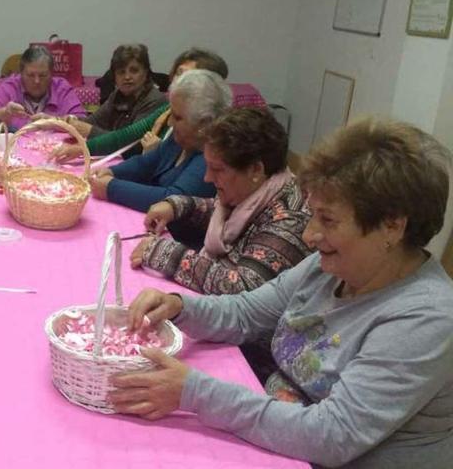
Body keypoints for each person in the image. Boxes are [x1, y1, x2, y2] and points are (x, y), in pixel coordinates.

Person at [112, 118, 453, 468]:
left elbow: (331, 435)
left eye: (328, 220)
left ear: (392, 226)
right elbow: (246, 312)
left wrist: (194, 393)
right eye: (313, 215)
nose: (309, 235)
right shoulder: (329, 267)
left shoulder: (427, 319)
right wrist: (179, 308)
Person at [131, 107, 311, 294]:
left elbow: (243, 289)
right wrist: (176, 206)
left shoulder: (289, 220)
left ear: (255, 170)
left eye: (217, 169)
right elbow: (219, 211)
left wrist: (167, 253)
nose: (207, 178)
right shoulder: (255, 191)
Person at [52, 47, 228, 162]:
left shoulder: (207, 136)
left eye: (189, 78)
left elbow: (171, 187)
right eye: (178, 74)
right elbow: (126, 137)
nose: (179, 81)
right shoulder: (165, 111)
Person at [88, 69, 229, 213]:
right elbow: (147, 162)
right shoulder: (181, 139)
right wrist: (112, 171)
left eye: (178, 117)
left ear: (204, 123)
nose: (170, 123)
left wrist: (111, 188)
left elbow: (173, 199)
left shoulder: (212, 157)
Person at [62, 44, 165, 139]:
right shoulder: (118, 95)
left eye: (134, 71)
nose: (127, 77)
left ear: (146, 72)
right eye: (121, 72)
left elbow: (131, 142)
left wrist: (90, 131)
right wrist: (70, 121)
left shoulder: (155, 100)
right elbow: (93, 121)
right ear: (114, 76)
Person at [0, 45, 86, 129]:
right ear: (21, 73)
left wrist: (53, 121)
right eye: (30, 75)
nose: (37, 81)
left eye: (43, 75)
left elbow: (84, 124)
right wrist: (5, 112)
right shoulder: (9, 87)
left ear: (51, 74)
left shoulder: (61, 88)